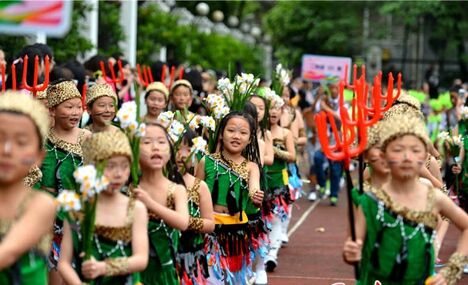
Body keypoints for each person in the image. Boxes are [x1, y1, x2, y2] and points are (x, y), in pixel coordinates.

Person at [343, 114, 468, 285]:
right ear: (385, 154)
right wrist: (351, 252)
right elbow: (354, 246)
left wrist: (452, 270)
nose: (407, 157)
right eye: (398, 150)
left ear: (425, 156)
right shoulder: (369, 201)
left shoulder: (433, 197)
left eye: (415, 150)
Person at [58, 130, 149, 284]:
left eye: (124, 166)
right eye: (110, 166)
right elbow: (63, 263)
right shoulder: (78, 209)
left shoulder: (135, 208)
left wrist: (104, 267)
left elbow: (141, 259)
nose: (118, 174)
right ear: (93, 167)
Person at [33, 79, 91, 284]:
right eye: (69, 107)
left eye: (79, 107)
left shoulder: (88, 139)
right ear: (53, 110)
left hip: (81, 220)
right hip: (49, 223)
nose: (75, 112)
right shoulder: (40, 142)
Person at [195, 111, 263, 284]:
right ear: (221, 133)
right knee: (210, 278)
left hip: (237, 232)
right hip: (209, 229)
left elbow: (254, 190)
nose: (236, 136)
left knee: (234, 278)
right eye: (231, 130)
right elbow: (195, 195)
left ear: (249, 139)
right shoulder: (206, 161)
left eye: (243, 132)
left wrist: (255, 198)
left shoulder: (251, 167)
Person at [0, 92, 56, 284]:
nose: (7, 150)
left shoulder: (40, 204)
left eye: (21, 142)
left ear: (39, 157)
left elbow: (6, 253)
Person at [133, 123, 189, 285]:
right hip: (133, 274)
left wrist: (150, 203)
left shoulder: (176, 189)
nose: (155, 147)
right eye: (147, 142)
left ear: (170, 151)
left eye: (161, 142)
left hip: (164, 274)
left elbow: (182, 222)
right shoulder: (129, 188)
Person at [176, 129, 215, 284]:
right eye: (178, 148)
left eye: (189, 149)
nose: (183, 155)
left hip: (191, 255)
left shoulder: (200, 186)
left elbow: (210, 224)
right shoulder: (158, 185)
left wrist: (185, 221)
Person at [264, 103, 296, 272]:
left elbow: (292, 156)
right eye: (270, 107)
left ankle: (272, 255)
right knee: (261, 220)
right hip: (260, 179)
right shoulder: (257, 133)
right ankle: (261, 252)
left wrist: (273, 150)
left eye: (277, 108)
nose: (273, 111)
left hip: (278, 179)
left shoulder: (286, 133)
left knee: (276, 218)